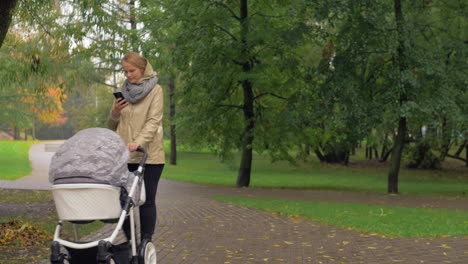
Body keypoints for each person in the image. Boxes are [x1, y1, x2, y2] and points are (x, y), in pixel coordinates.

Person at [108, 52, 165, 244]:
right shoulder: (122, 90)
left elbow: (153, 121)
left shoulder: (156, 90)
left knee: (146, 200)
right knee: (124, 202)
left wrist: (138, 143)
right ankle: (131, 241)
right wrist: (115, 112)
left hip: (149, 156)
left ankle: (145, 243)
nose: (128, 75)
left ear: (142, 69)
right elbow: (111, 125)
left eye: (131, 70)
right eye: (125, 71)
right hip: (125, 155)